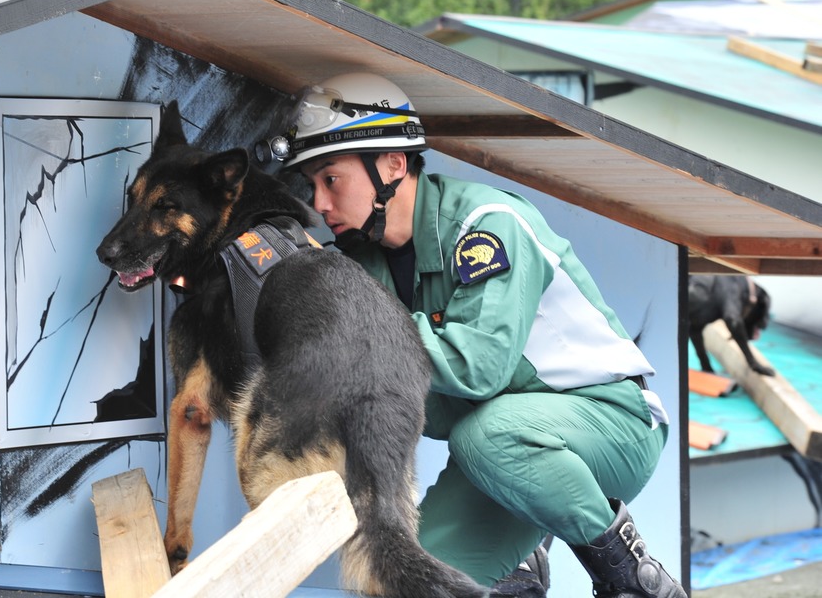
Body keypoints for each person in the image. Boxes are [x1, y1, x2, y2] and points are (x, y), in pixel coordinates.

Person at [259, 72, 686, 598]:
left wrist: (355, 333)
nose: (320, 204)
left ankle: (631, 577)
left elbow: (479, 369)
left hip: (613, 426)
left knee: (487, 435)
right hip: (502, 457)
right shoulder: (360, 267)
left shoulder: (487, 225)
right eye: (312, 187)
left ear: (392, 164)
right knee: (400, 582)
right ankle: (517, 569)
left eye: (331, 180)